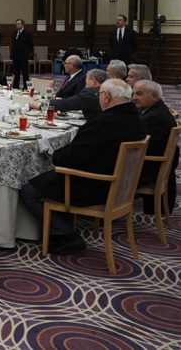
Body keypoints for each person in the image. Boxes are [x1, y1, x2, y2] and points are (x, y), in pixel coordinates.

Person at [20, 79, 147, 254]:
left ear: (106, 96)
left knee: (29, 190)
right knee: (49, 178)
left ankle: (64, 233)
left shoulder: (103, 122)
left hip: (93, 186)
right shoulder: (136, 118)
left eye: (99, 95)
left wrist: (54, 154)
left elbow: (71, 158)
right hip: (121, 186)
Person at [131, 80, 179, 215]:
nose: (134, 98)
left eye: (139, 94)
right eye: (133, 94)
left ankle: (108, 209)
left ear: (154, 97)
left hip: (149, 171)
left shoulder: (155, 118)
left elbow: (138, 148)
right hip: (154, 166)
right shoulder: (157, 110)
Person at [30, 68, 106, 121]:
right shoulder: (107, 90)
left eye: (86, 83)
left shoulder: (90, 93)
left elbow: (66, 104)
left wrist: (41, 105)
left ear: (93, 81)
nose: (85, 86)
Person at [11, 19, 34, 90]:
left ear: (23, 24)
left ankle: (25, 87)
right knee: (16, 72)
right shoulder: (14, 33)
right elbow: (13, 44)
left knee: (25, 73)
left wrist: (27, 52)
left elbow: (30, 45)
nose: (17, 25)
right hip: (15, 56)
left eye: (18, 24)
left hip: (23, 56)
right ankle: (15, 86)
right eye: (16, 24)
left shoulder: (27, 33)